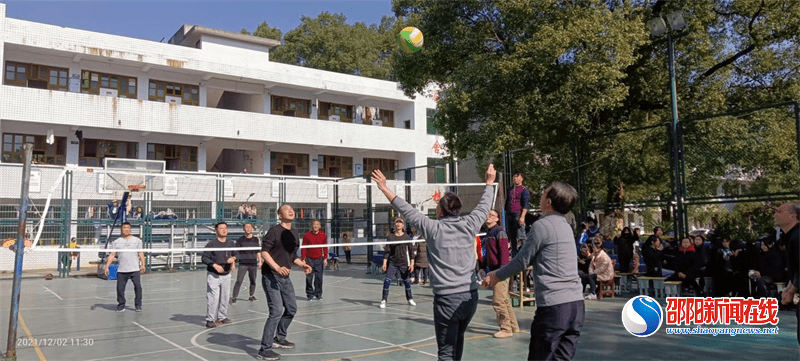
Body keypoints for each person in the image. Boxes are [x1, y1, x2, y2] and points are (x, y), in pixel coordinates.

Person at [371, 164, 496, 361]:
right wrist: (489, 183)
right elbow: (484, 206)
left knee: (446, 353)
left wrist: (384, 187)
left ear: (440, 211)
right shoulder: (470, 224)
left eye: (438, 206)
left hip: (447, 299)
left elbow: (405, 208)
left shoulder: (431, 228)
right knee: (458, 342)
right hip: (470, 297)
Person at [483, 181, 584, 361]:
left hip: (554, 308)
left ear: (549, 202)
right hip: (576, 305)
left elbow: (522, 261)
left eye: (544, 193)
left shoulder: (541, 226)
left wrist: (496, 276)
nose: (541, 196)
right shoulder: (566, 226)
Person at [257, 205, 313, 361]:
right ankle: (264, 349)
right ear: (279, 215)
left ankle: (279, 338)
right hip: (271, 275)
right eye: (286, 209)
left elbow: (292, 255)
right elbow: (264, 252)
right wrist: (276, 267)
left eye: (292, 209)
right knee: (275, 311)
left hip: (285, 277)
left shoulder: (294, 233)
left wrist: (302, 264)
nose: (291, 211)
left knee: (291, 308)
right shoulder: (274, 231)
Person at [481, 209, 519, 338]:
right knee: (505, 300)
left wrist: (500, 273)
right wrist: (483, 267)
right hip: (494, 270)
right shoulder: (489, 233)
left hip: (500, 271)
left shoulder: (500, 233)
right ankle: (513, 326)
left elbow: (504, 255)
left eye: (491, 215)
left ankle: (505, 328)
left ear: (497, 219)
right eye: (488, 215)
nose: (488, 217)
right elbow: (488, 254)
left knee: (498, 302)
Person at [104, 222, 145, 313]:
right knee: (120, 288)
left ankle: (138, 305)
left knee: (138, 287)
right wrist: (107, 267)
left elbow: (140, 253)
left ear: (130, 229)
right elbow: (112, 255)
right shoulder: (116, 242)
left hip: (134, 269)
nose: (126, 229)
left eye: (128, 228)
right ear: (121, 230)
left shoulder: (137, 241)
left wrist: (143, 264)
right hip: (122, 270)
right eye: (124, 228)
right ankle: (121, 305)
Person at [202, 222, 236, 328]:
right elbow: (204, 258)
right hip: (214, 275)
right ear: (216, 231)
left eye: (225, 228)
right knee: (213, 297)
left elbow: (237, 254)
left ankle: (222, 317)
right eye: (221, 228)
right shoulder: (211, 244)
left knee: (225, 297)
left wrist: (233, 259)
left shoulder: (231, 243)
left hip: (226, 275)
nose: (224, 230)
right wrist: (214, 265)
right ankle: (210, 319)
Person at [774, 202, 799, 346]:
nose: (775, 214)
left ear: (792, 215)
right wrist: (789, 288)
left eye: (779, 211)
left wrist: (792, 291)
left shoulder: (797, 237)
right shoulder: (791, 237)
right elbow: (796, 269)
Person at [380, 218, 415, 308]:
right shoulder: (390, 237)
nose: (398, 224)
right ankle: (384, 300)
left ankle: (410, 298)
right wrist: (384, 263)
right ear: (394, 225)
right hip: (393, 262)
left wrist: (412, 263)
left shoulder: (406, 237)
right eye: (397, 222)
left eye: (400, 222)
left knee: (407, 281)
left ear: (403, 225)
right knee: (387, 281)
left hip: (403, 262)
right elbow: (387, 251)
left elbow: (411, 251)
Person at [231, 222, 261, 304]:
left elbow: (258, 251)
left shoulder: (256, 239)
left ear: (252, 229)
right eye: (246, 227)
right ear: (244, 229)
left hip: (253, 263)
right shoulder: (240, 240)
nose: (248, 229)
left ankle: (251, 295)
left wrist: (260, 261)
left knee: (253, 280)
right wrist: (233, 263)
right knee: (239, 280)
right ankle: (234, 297)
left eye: (250, 227)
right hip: (243, 263)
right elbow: (236, 253)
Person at [302, 219, 328, 301]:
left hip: (319, 260)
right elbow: (303, 248)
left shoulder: (323, 235)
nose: (315, 226)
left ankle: (318, 294)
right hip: (309, 260)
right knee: (309, 278)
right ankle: (310, 294)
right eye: (314, 224)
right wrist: (303, 259)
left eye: (317, 224)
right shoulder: (307, 235)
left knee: (319, 278)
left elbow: (325, 247)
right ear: (312, 226)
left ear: (320, 226)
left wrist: (325, 258)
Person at [505, 172, 530, 255]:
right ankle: (514, 253)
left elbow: (526, 204)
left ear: (521, 178)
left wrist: (522, 217)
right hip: (509, 214)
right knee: (512, 235)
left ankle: (525, 254)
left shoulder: (524, 190)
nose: (515, 178)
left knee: (521, 235)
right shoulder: (510, 189)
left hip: (518, 214)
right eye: (514, 177)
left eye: (517, 177)